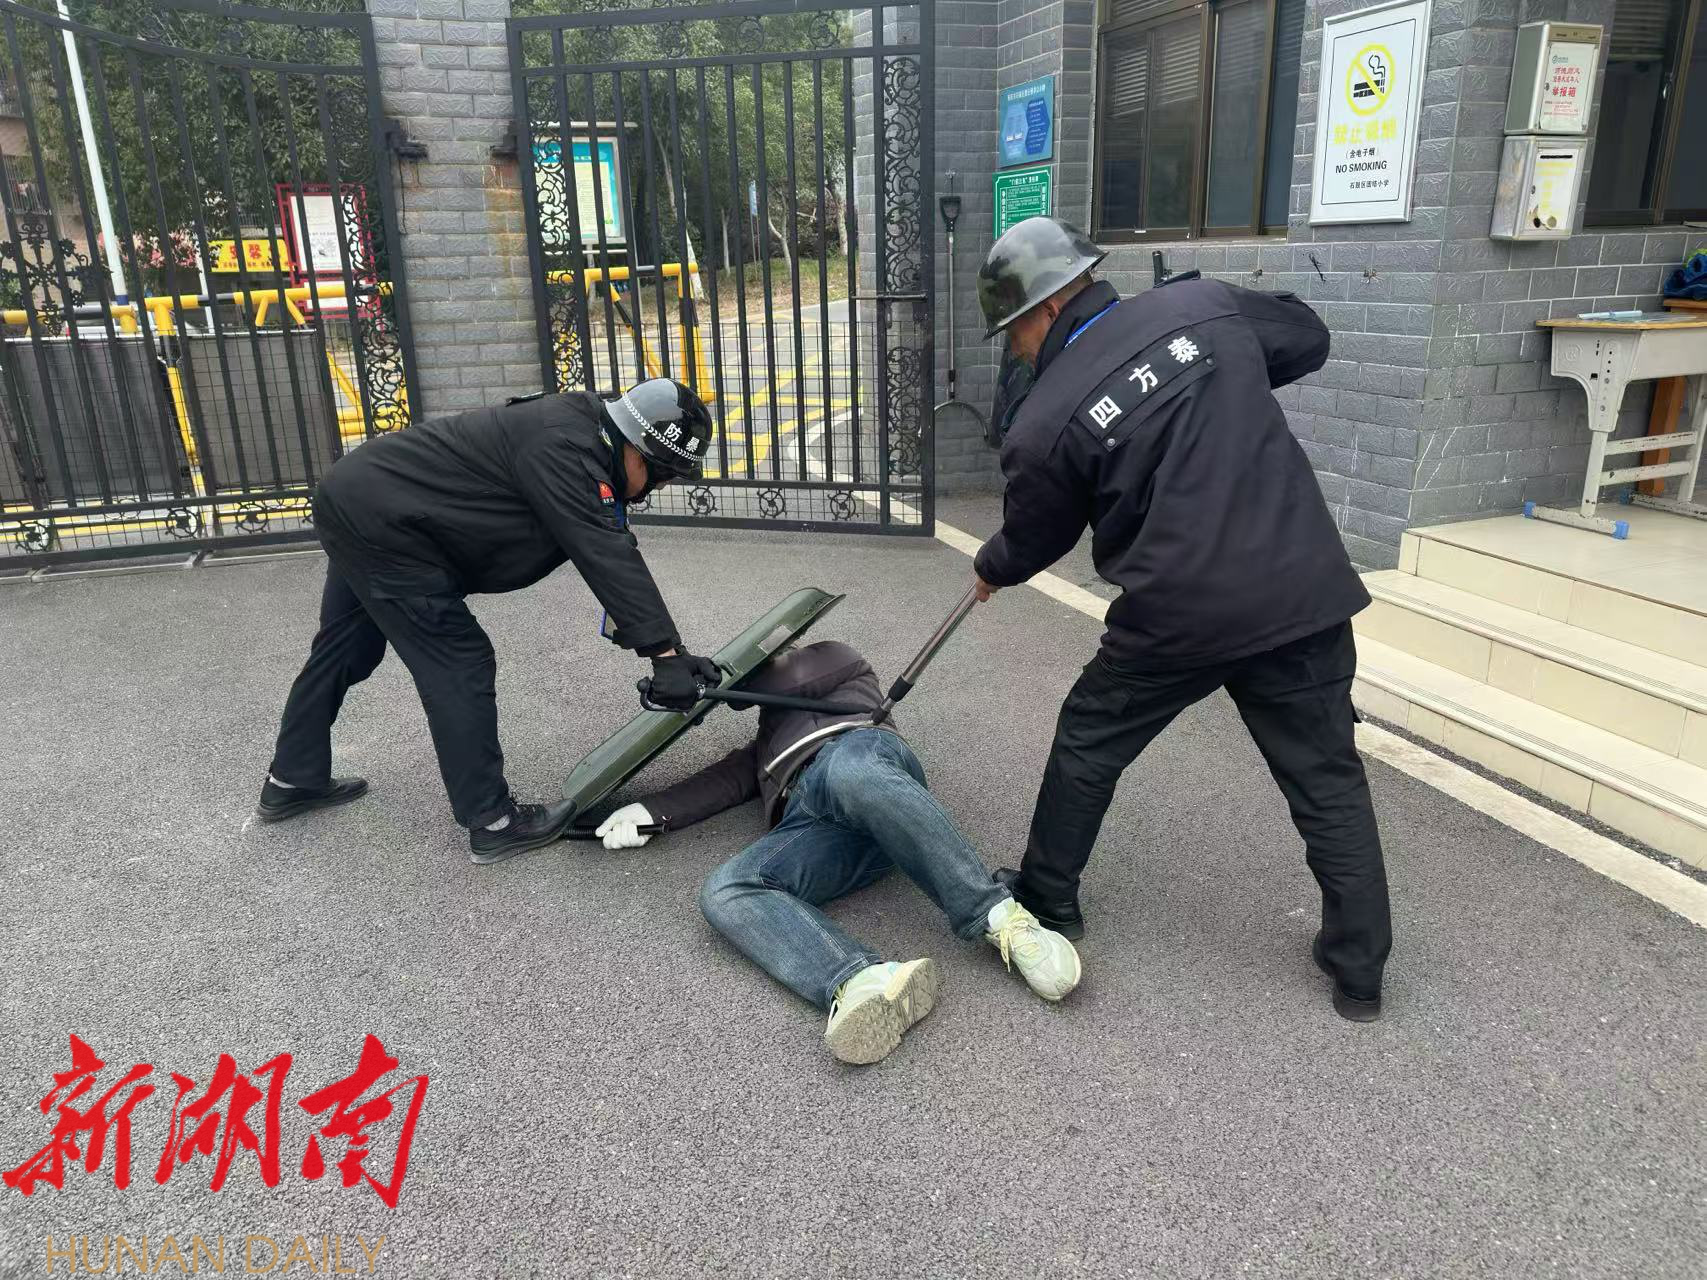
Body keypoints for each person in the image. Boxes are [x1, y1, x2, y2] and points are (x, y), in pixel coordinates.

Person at [970, 216, 1391, 1022]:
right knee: (1325, 778)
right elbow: (1305, 337)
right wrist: (1220, 377)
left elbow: (1035, 535)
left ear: (1049, 306)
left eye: (1013, 332)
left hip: (1175, 616)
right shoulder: (1202, 310)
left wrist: (992, 567)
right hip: (1297, 590)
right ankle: (1359, 971)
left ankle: (1048, 898)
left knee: (1088, 740)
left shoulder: (1045, 418)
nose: (1015, 352)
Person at [258, 378, 722, 865]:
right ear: (637, 449)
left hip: (361, 497)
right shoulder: (566, 451)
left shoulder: (584, 432)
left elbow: (608, 545)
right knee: (458, 660)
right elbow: (606, 552)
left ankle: (292, 778)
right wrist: (664, 656)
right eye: (661, 476)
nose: (657, 488)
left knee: (346, 647)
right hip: (387, 525)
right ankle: (494, 821)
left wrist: (672, 652)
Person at [594, 639, 1082, 1064]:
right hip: (822, 824)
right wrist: (649, 811)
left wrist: (716, 680)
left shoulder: (837, 662)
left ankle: (1000, 919)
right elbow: (724, 780)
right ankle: (862, 981)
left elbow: (792, 676)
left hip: (865, 764)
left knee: (851, 772)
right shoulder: (766, 740)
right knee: (726, 889)